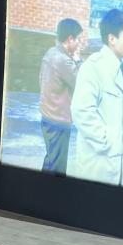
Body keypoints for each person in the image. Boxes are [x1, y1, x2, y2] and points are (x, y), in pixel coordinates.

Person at [68, 8, 123, 187]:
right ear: (112, 39)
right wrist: (109, 142)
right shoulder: (93, 68)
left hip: (122, 166)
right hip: (99, 165)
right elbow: (82, 112)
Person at [38, 18, 83, 175]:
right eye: (78, 39)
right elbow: (80, 83)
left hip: (47, 116)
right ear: (70, 39)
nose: (79, 44)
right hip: (58, 119)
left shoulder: (51, 53)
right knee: (57, 167)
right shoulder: (63, 60)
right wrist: (78, 60)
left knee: (51, 160)